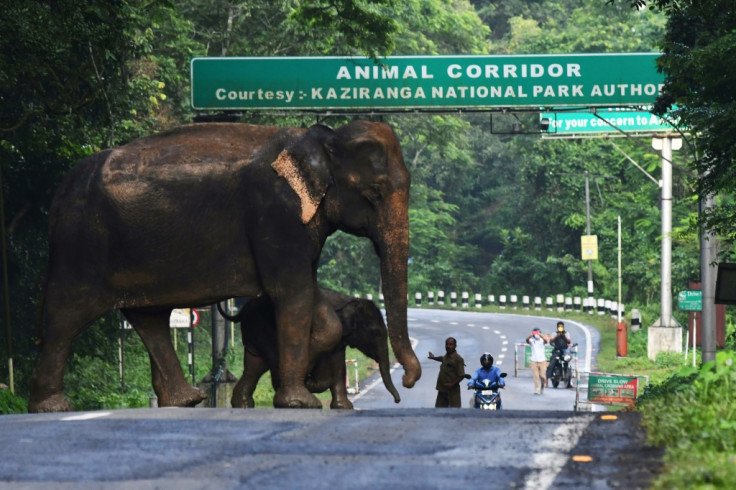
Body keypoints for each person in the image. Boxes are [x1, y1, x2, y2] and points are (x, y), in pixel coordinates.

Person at [428, 337, 466, 408]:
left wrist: (452, 384)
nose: (448, 346)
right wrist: (433, 358)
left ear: (455, 346)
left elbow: (462, 375)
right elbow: (442, 359)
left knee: (455, 412)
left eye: (451, 344)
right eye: (447, 344)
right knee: (438, 412)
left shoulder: (458, 359)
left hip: (453, 391)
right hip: (442, 390)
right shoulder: (446, 356)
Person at [547, 321, 573, 388]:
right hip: (557, 350)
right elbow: (551, 341)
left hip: (564, 351)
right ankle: (548, 377)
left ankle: (569, 381)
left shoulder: (566, 333)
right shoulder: (554, 333)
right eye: (559, 326)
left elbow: (569, 341)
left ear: (563, 327)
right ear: (557, 327)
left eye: (561, 326)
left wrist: (564, 336)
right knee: (552, 363)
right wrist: (556, 336)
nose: (560, 328)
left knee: (568, 362)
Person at [525, 327, 547, 395]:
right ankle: (537, 389)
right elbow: (527, 340)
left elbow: (546, 340)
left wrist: (540, 335)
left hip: (542, 360)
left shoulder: (542, 340)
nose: (536, 334)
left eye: (537, 333)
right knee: (536, 376)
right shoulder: (532, 340)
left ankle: (542, 386)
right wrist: (531, 335)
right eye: (535, 333)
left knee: (543, 376)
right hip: (534, 361)